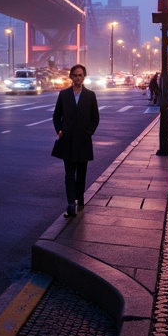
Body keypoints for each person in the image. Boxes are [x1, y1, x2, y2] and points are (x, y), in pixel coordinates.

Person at [51, 64, 101, 219]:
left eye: (80, 75)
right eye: (75, 75)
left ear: (84, 77)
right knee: (69, 174)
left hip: (83, 141)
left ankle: (80, 199)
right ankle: (71, 204)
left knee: (81, 174)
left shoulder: (90, 95)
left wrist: (88, 133)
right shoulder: (64, 95)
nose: (78, 78)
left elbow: (95, 118)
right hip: (67, 140)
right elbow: (56, 116)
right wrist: (59, 130)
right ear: (71, 77)